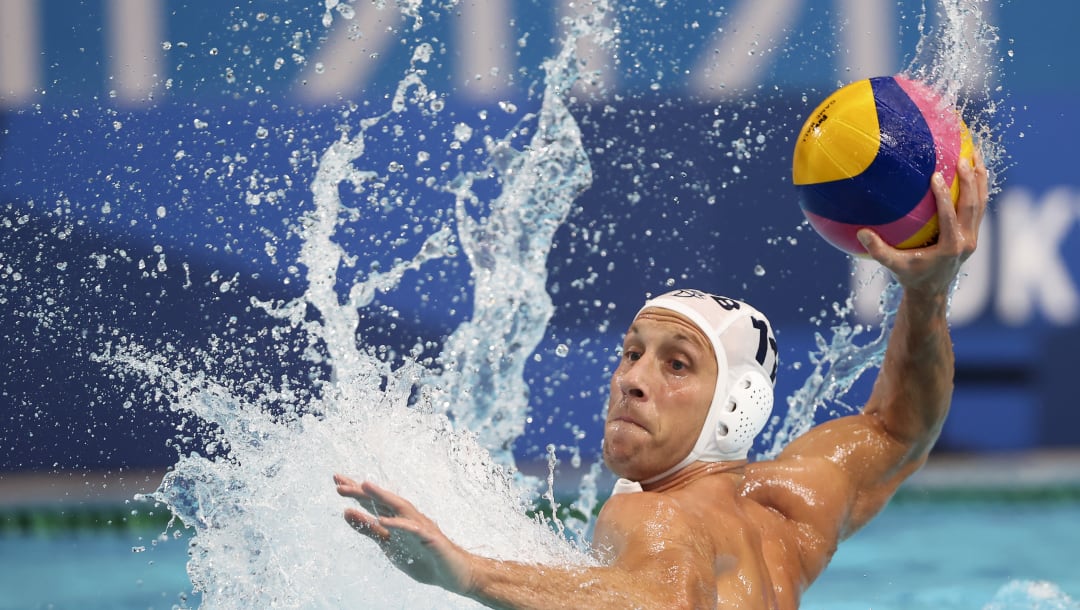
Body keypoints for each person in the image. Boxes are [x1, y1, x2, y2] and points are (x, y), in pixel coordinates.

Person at [334, 148, 989, 609]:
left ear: (738, 406)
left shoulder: (651, 515)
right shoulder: (793, 511)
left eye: (676, 363)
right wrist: (928, 295)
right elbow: (900, 426)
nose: (632, 380)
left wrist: (469, 572)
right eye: (631, 353)